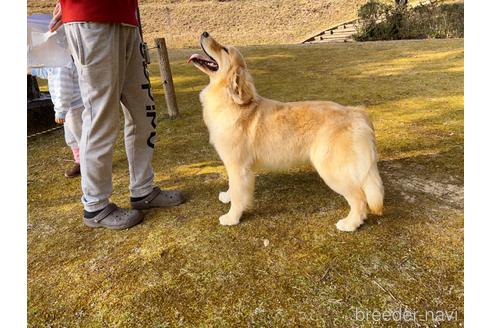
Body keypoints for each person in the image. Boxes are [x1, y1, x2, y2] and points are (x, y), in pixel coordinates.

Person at [50, 0, 185, 230]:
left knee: (143, 112)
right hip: (90, 18)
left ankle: (143, 190)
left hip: (126, 19)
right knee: (100, 115)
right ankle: (96, 205)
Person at [30, 62, 83, 178]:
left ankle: (90, 164)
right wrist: (31, 70)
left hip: (74, 107)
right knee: (71, 138)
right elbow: (47, 72)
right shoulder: (54, 62)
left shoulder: (62, 65)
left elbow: (63, 89)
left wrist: (61, 111)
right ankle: (80, 162)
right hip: (68, 109)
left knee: (81, 137)